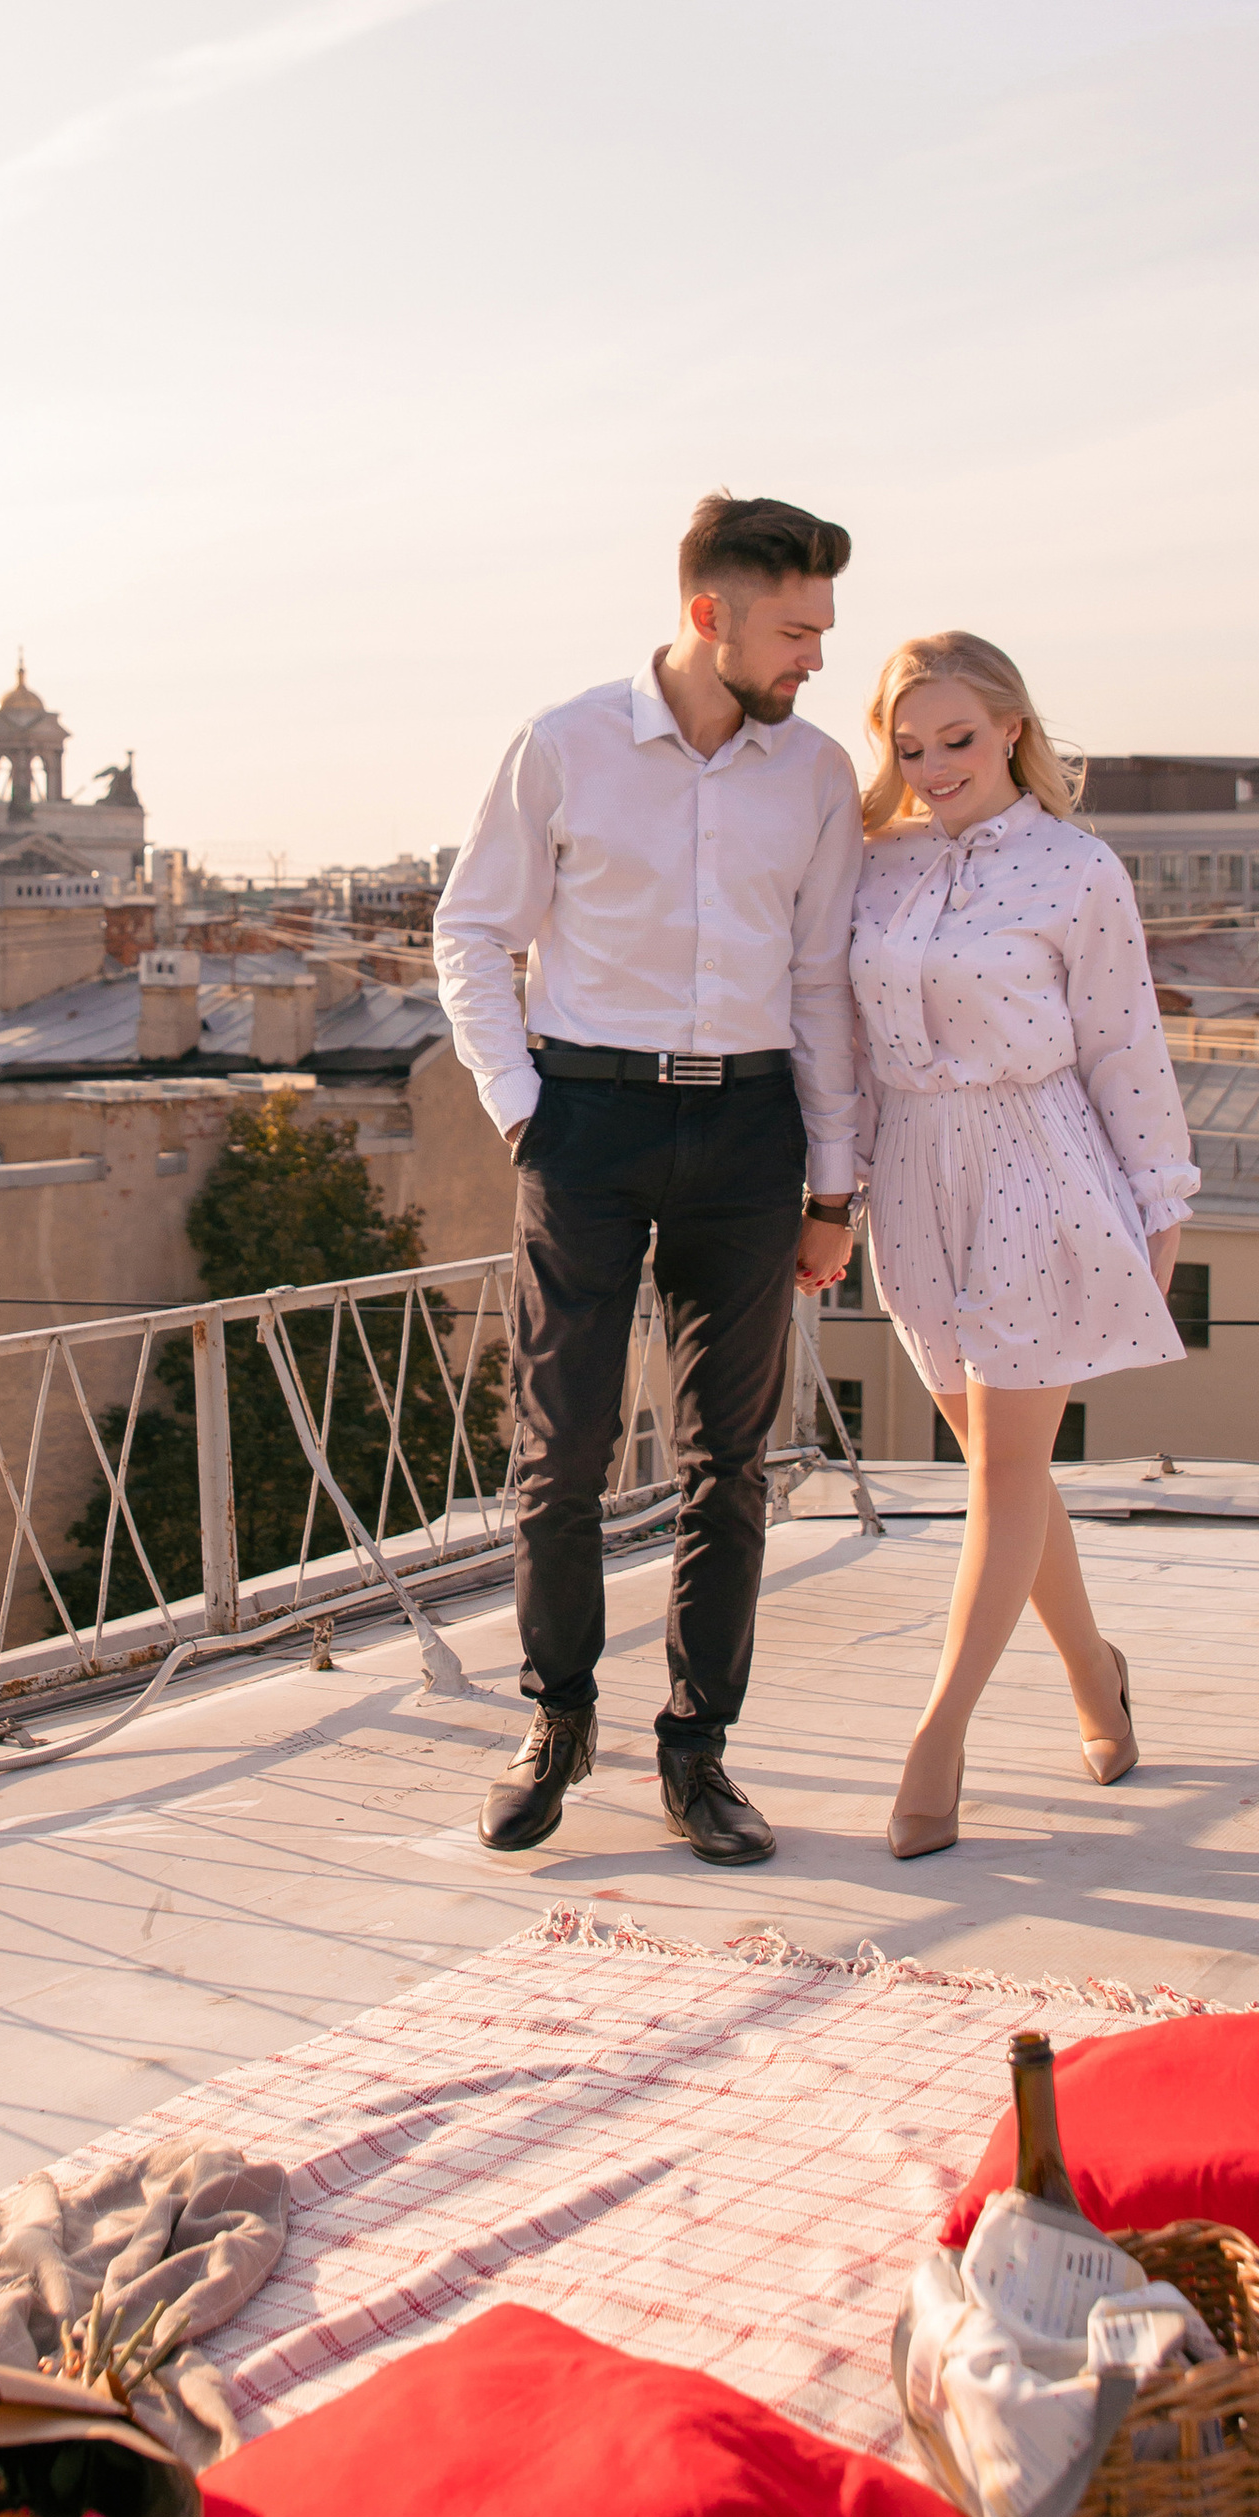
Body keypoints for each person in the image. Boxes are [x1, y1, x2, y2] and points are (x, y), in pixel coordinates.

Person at [432, 493, 864, 1866]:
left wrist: (833, 1189)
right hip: (591, 1128)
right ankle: (555, 1725)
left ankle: (700, 1754)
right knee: (559, 1457)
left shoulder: (814, 776)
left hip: (749, 1137)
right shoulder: (563, 748)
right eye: (796, 631)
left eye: (823, 632)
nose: (815, 660)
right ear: (708, 616)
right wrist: (521, 1115)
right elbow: (472, 931)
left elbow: (822, 985)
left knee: (727, 1463)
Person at [849, 633, 1197, 1858]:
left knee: (999, 1477)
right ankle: (1096, 1676)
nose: (933, 766)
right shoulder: (869, 865)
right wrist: (831, 1192)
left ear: (1008, 728)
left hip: (1039, 1164)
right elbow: (831, 1045)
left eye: (955, 738)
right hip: (912, 1177)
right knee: (1006, 1468)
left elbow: (1121, 1040)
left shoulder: (1075, 867)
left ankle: (936, 1742)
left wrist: (1161, 1200)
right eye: (908, 746)